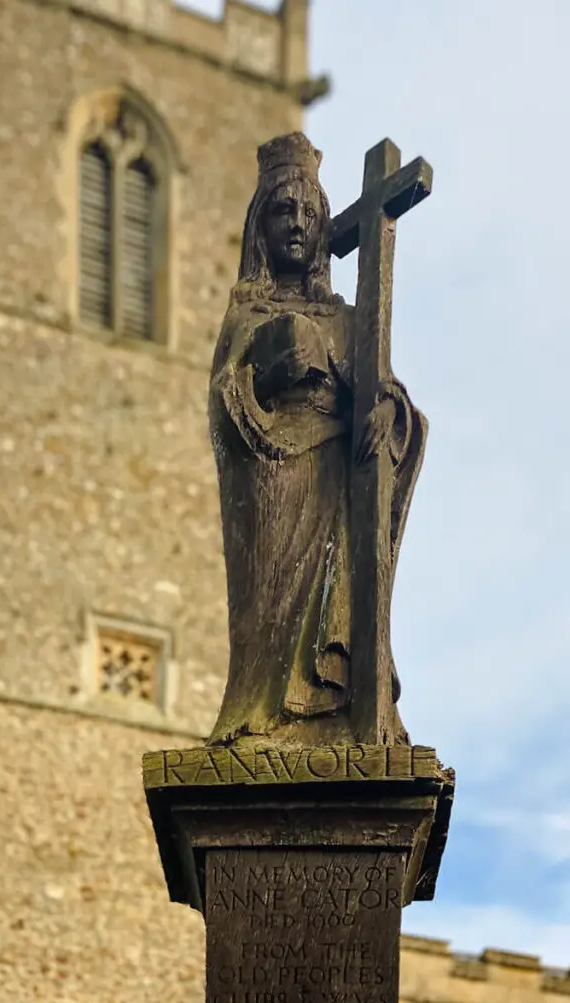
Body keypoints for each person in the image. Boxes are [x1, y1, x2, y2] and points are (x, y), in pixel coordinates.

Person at [207, 132, 425, 747]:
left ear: (326, 224)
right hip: (273, 483)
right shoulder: (244, 314)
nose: (297, 225)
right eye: (282, 212)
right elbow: (224, 403)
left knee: (342, 593)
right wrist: (266, 372)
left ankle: (340, 710)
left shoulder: (347, 320)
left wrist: (388, 412)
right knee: (274, 615)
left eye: (308, 212)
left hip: (338, 478)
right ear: (260, 228)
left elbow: (387, 396)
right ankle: (266, 711)